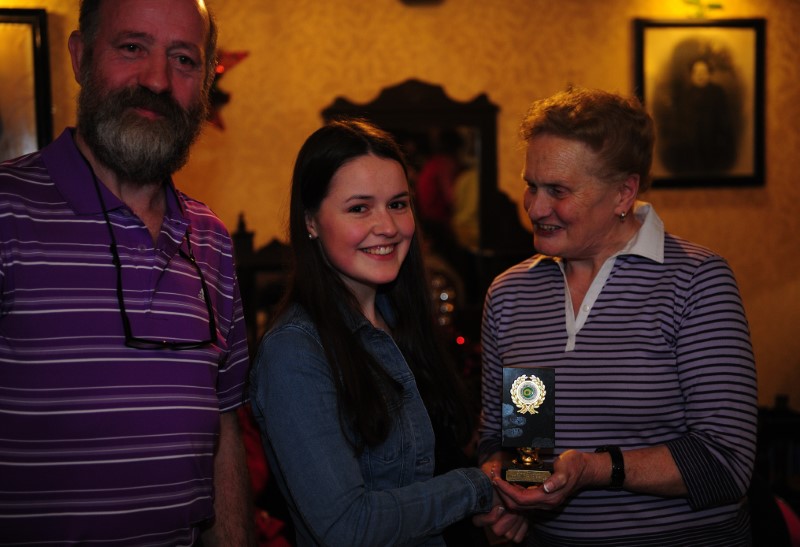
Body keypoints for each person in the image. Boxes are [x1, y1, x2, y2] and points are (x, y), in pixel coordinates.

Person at [0, 0, 253, 544]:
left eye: (183, 59)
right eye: (132, 47)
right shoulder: (6, 211)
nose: (157, 80)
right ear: (80, 57)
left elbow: (223, 428)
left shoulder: (212, 239)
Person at [477, 87, 758, 546]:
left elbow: (726, 462)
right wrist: (512, 491)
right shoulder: (512, 293)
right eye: (532, 185)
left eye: (558, 191)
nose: (535, 207)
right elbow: (512, 440)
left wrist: (594, 468)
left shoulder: (695, 280)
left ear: (623, 192)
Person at [248, 119, 523, 546]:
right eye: (360, 208)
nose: (388, 227)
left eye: (397, 204)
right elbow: (346, 526)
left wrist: (516, 481)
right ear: (310, 221)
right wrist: (480, 487)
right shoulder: (295, 351)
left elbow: (444, 457)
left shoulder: (402, 318)